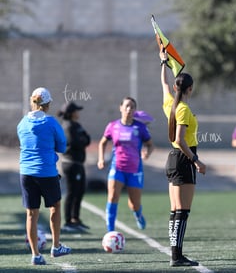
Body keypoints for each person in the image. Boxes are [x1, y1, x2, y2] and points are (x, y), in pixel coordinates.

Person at [160, 50, 206, 267]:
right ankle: (177, 256)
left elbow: (164, 85)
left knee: (175, 210)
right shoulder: (184, 109)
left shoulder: (170, 103)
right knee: (183, 212)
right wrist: (195, 159)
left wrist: (163, 62)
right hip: (183, 158)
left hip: (172, 160)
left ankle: (175, 255)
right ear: (190, 89)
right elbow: (179, 139)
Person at [17, 87, 71, 265]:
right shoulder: (51, 122)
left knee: (31, 214)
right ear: (47, 104)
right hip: (47, 172)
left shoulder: (22, 123)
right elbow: (62, 147)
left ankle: (36, 255)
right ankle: (56, 246)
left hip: (26, 173)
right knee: (55, 206)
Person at [97, 97, 154, 232]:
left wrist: (147, 153)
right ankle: (110, 231)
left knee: (134, 204)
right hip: (117, 168)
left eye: (132, 107)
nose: (129, 109)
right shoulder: (113, 126)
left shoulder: (140, 127)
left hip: (134, 170)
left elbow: (150, 145)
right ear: (121, 108)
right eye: (127, 106)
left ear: (135, 110)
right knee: (112, 196)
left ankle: (138, 214)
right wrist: (101, 159)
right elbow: (103, 142)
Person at [58, 102, 91, 231]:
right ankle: (68, 221)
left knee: (80, 191)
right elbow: (74, 142)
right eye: (76, 111)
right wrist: (82, 140)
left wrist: (82, 140)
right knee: (72, 192)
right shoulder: (67, 126)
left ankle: (75, 219)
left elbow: (87, 139)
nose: (78, 113)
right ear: (71, 113)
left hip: (79, 163)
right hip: (70, 163)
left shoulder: (77, 125)